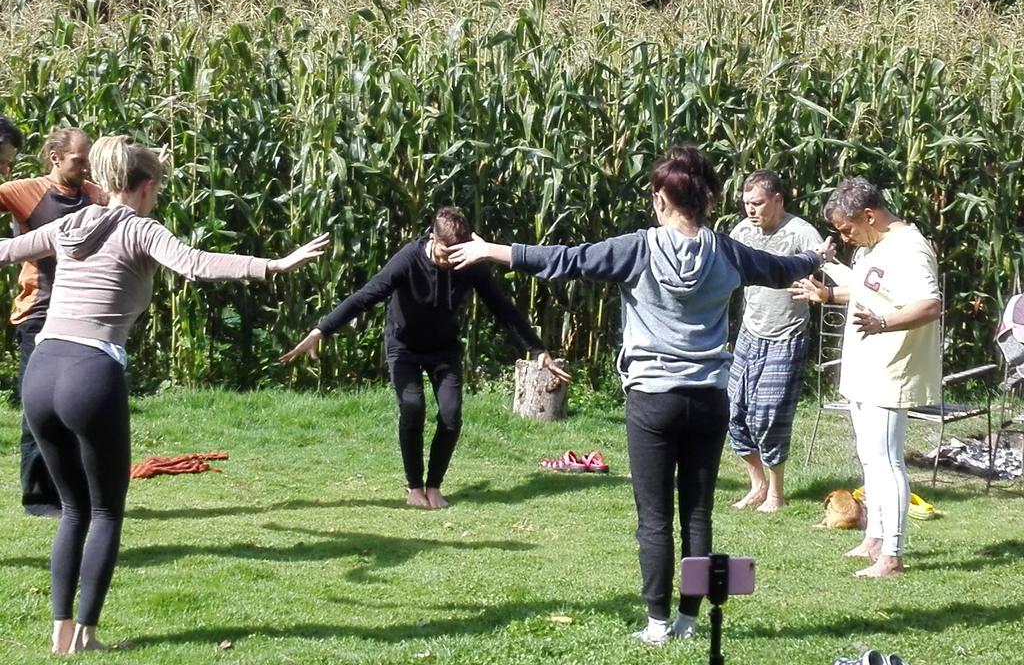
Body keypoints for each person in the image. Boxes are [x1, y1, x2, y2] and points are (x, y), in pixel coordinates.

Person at [448, 144, 833, 644]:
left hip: (653, 399)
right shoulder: (728, 251)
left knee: (654, 518)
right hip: (710, 397)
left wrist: (492, 250)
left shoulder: (638, 248)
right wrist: (815, 255)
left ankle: (656, 623)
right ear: (710, 201)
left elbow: (566, 260)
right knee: (697, 512)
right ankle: (690, 621)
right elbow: (780, 269)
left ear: (659, 199)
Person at [1, 135, 329, 654]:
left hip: (41, 370)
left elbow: (5, 251)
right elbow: (196, 263)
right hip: (91, 369)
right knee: (106, 511)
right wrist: (275, 265)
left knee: (72, 509)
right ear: (147, 187)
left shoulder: (71, 223)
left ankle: (59, 633)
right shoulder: (140, 229)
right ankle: (85, 637)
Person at [281, 206, 569, 510]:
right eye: (448, 252)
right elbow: (365, 296)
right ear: (433, 238)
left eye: (461, 252)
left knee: (450, 415)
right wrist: (321, 330)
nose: (454, 259)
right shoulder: (408, 259)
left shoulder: (469, 263)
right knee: (412, 407)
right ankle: (414, 488)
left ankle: (434, 487)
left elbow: (503, 308)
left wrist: (537, 349)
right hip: (403, 347)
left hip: (443, 349)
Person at [792, 176, 940, 578]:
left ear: (869, 215)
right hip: (865, 367)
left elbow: (929, 305)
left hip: (892, 369)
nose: (846, 237)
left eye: (847, 229)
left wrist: (883, 322)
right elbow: (869, 290)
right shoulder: (876, 246)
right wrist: (827, 295)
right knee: (870, 458)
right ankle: (874, 537)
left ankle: (892, 555)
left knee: (887, 461)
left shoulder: (909, 248)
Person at [0, 126, 103, 518]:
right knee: (38, 408)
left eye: (88, 161)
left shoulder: (94, 195)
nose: (84, 168)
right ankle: (39, 497)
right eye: (78, 160)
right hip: (38, 312)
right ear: (55, 158)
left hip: (81, 314)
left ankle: (73, 493)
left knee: (75, 406)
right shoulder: (25, 191)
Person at [727, 170, 823, 512]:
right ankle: (757, 485)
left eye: (758, 203)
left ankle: (777, 494)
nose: (751, 211)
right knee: (733, 411)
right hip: (749, 334)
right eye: (746, 204)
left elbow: (826, 261)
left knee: (769, 415)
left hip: (787, 336)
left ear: (778, 199)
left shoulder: (800, 233)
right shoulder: (741, 232)